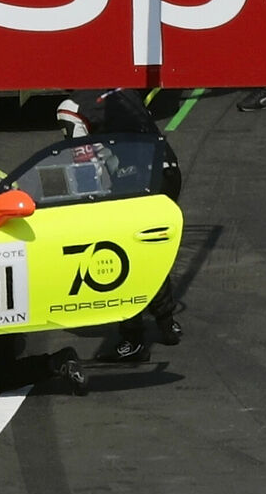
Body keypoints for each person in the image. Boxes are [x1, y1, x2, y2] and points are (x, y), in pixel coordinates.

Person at [57, 90, 190, 363]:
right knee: (150, 249)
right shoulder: (123, 89)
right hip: (168, 170)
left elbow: (83, 163)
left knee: (124, 255)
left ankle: (133, 337)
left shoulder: (70, 106)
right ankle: (167, 324)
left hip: (134, 181)